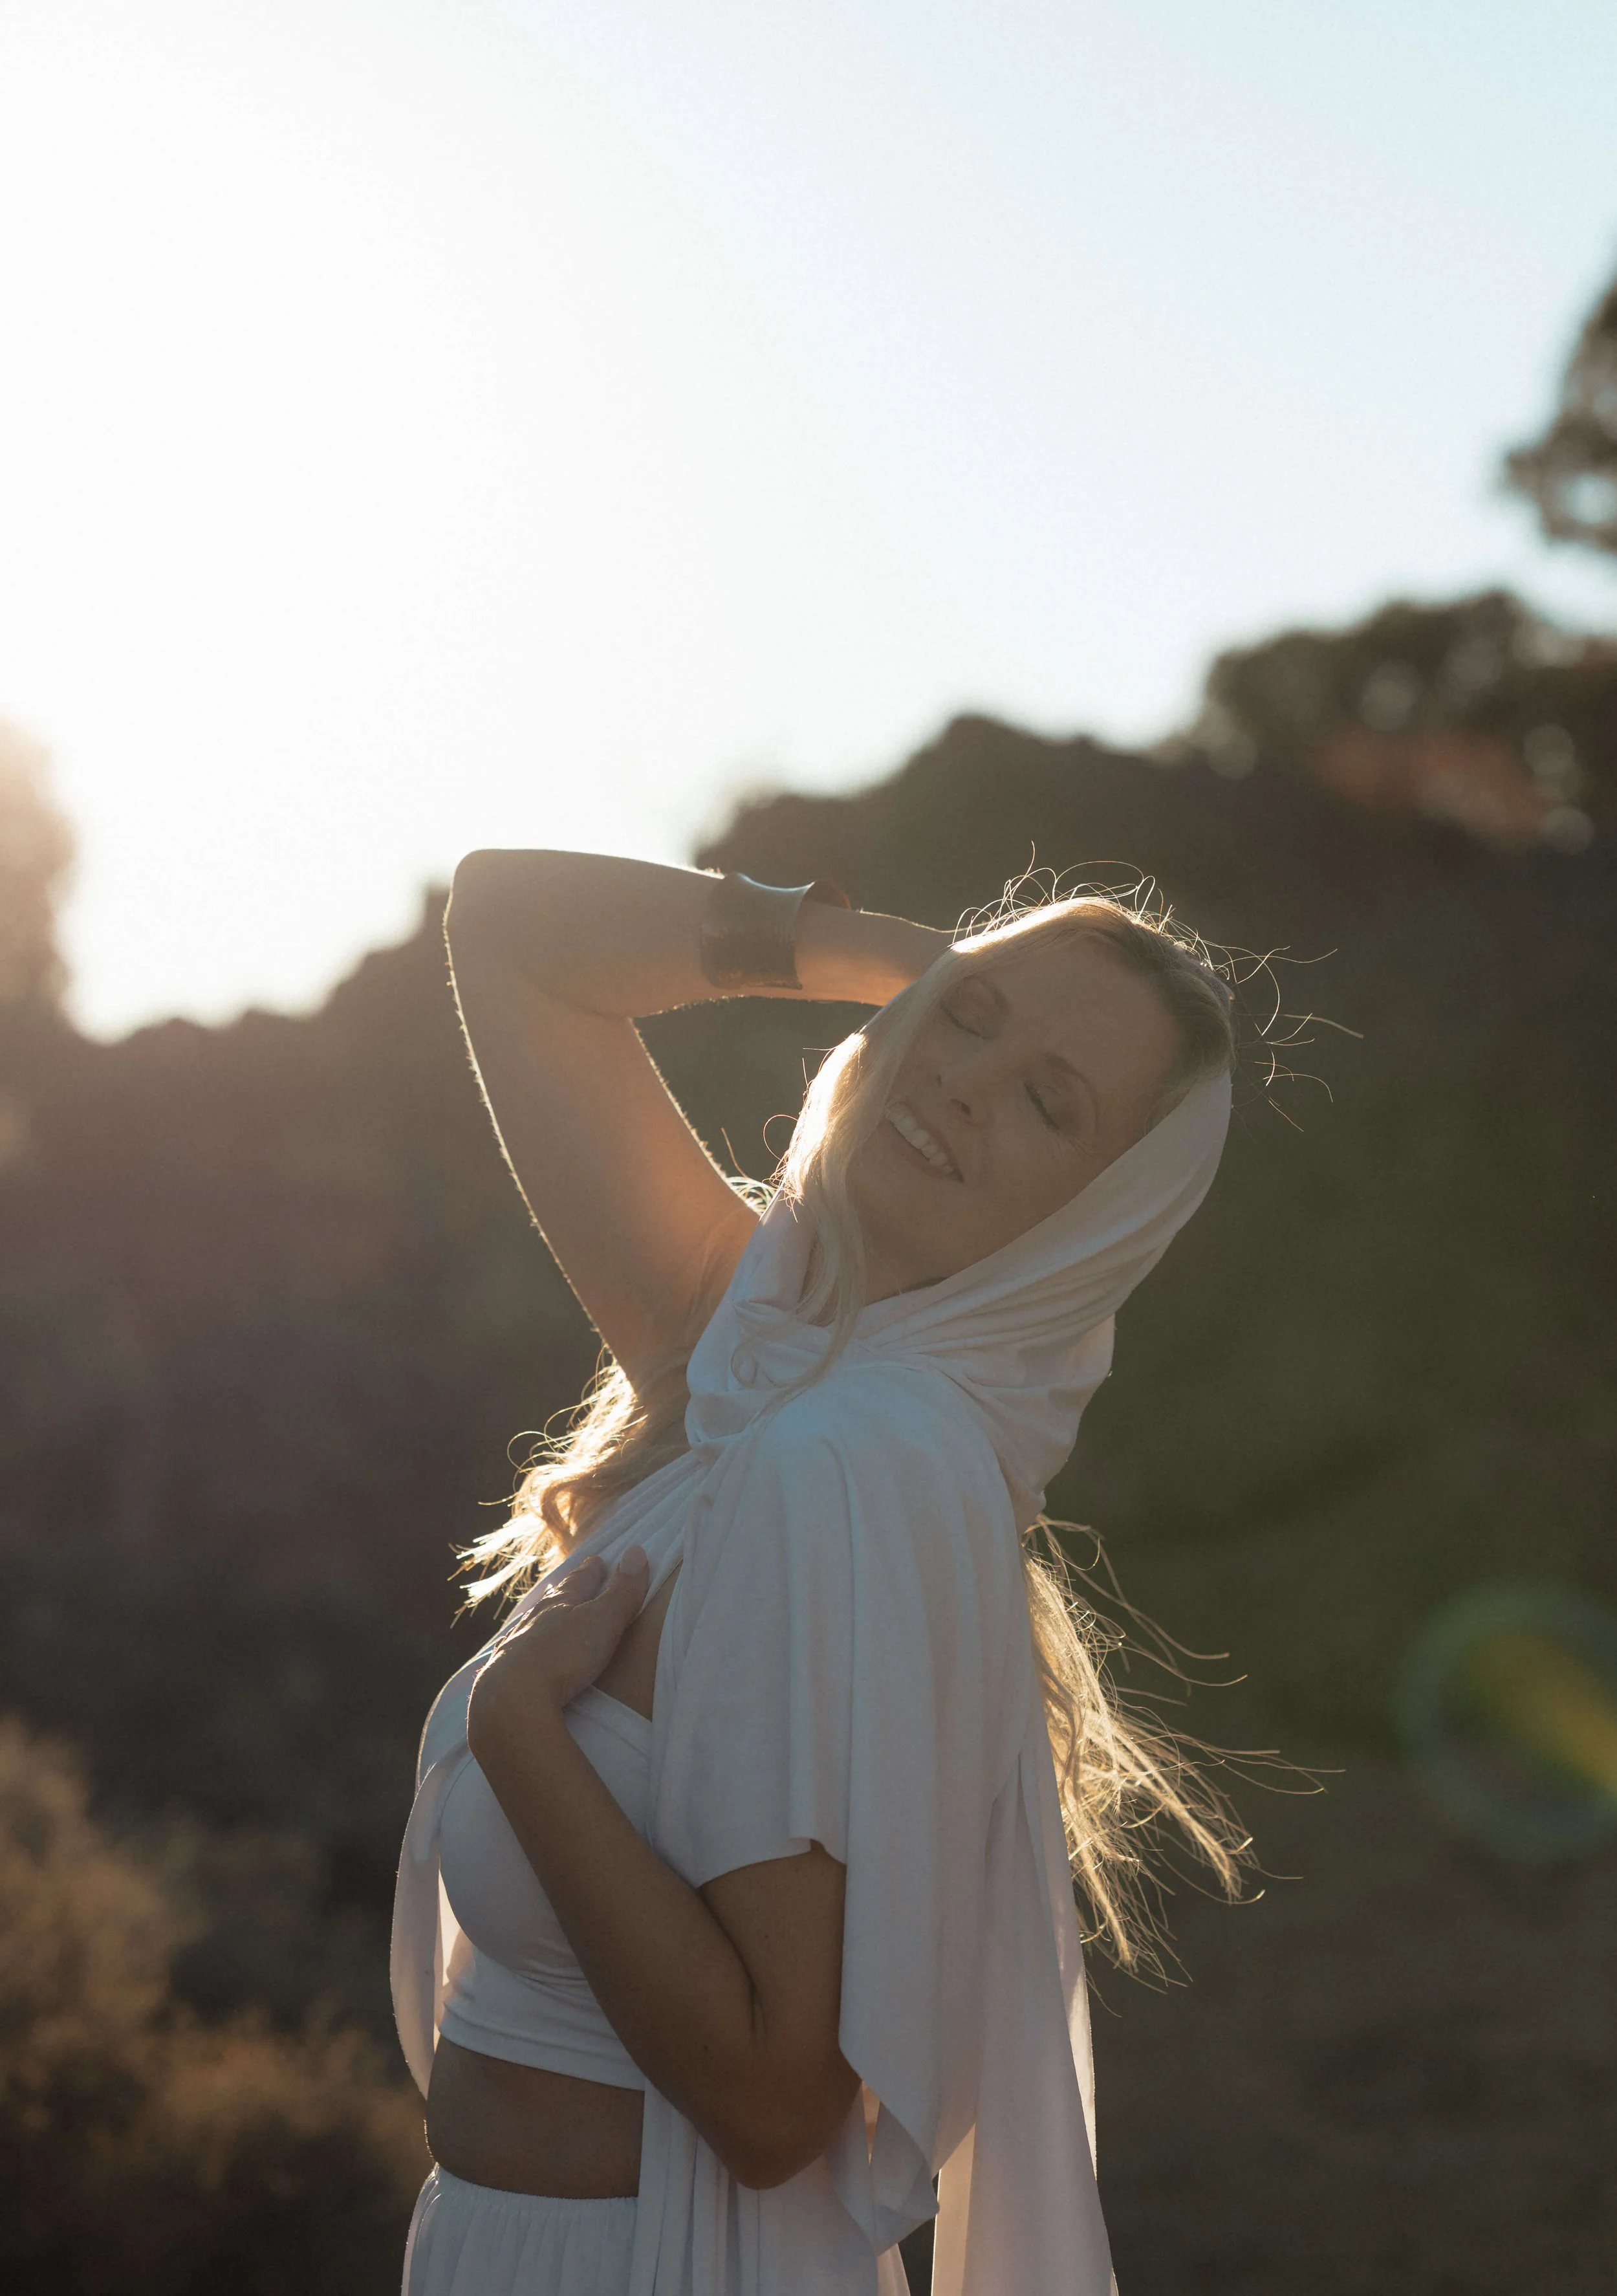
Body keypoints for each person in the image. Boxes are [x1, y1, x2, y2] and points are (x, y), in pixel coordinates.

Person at [391, 851, 1248, 2296]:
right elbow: (506, 923)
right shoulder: (753, 1355)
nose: (972, 1084)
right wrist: (885, 950)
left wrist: (520, 1732)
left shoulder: (848, 1456)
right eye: (967, 1020)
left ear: (1086, 1232)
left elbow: (773, 2101)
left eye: (1050, 1103)